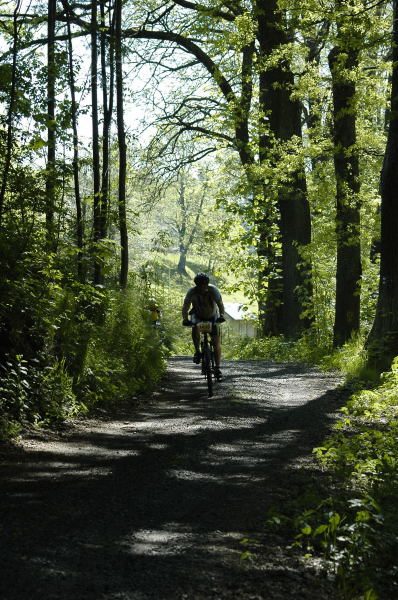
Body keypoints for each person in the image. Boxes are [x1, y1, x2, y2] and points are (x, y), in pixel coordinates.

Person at [182, 272, 225, 378]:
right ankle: (197, 351)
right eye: (200, 285)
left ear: (207, 284)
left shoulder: (213, 290)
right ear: (196, 285)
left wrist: (222, 315)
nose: (203, 287)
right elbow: (185, 306)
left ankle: (218, 368)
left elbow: (220, 304)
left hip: (212, 316)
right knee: (195, 327)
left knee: (216, 343)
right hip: (197, 315)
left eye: (205, 285)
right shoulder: (191, 292)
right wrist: (185, 318)